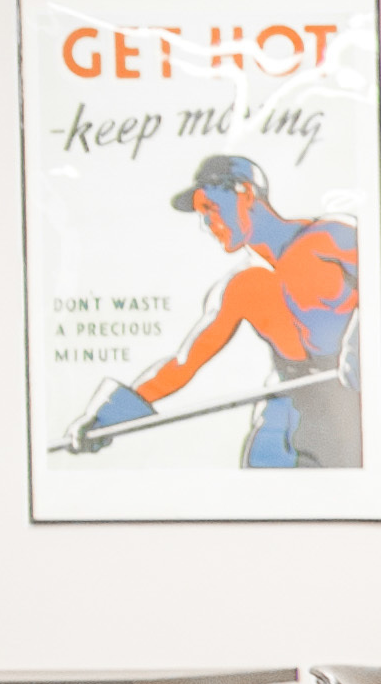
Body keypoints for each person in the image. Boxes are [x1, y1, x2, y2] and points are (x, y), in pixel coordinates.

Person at [64, 153, 362, 468]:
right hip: (287, 414)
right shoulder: (241, 286)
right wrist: (105, 418)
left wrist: (360, 339)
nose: (207, 225)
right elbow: (183, 363)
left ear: (244, 193)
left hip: (350, 408)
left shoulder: (333, 236)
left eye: (210, 209)